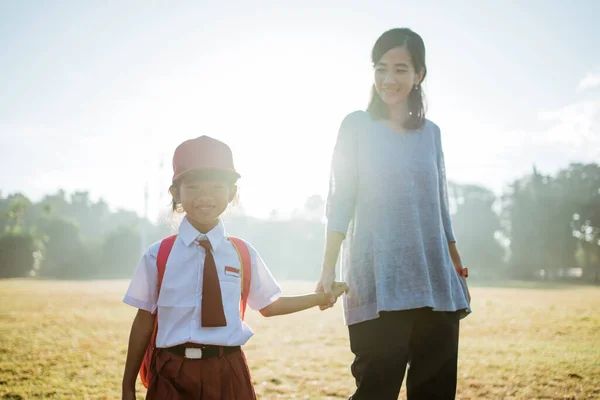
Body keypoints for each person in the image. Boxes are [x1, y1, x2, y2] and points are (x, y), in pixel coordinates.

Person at [121, 135, 348, 400]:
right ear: (176, 193)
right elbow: (143, 322)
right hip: (172, 372)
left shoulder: (242, 253)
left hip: (227, 370)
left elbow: (270, 306)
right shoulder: (158, 255)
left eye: (216, 186)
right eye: (193, 186)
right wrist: (128, 386)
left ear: (232, 193)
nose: (205, 196)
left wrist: (322, 297)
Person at [316, 28, 472, 400]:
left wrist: (458, 270)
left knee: (435, 393)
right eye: (381, 67)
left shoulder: (431, 134)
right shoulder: (356, 126)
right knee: (376, 389)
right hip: (379, 281)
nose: (389, 79)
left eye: (401, 69)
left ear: (419, 75)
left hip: (436, 285)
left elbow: (440, 207)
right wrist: (327, 269)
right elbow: (340, 201)